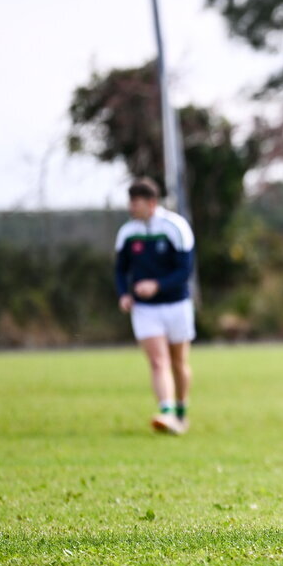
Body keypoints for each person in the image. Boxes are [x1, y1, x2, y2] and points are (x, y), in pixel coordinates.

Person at [114, 177, 195, 436]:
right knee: (158, 362)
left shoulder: (175, 226)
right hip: (145, 310)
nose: (131, 207)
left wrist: (157, 285)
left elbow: (185, 271)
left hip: (176, 305)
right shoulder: (127, 232)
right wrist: (123, 294)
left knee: (178, 362)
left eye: (135, 202)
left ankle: (181, 410)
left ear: (151, 203)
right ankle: (167, 412)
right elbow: (120, 270)